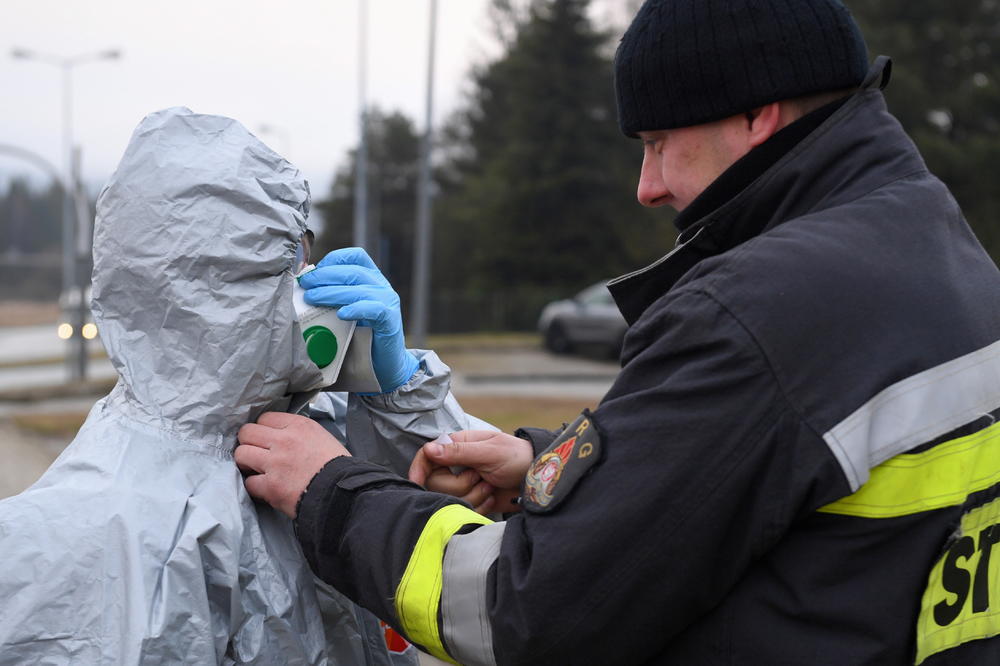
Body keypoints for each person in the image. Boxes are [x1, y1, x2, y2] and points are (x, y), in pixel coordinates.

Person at [235, 1, 1000, 664]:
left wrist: (330, 494)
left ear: (756, 114)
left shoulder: (756, 311)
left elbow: (527, 613)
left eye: (659, 141)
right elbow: (768, 466)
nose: (648, 186)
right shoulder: (934, 239)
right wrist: (545, 464)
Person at [0, 107, 490, 665]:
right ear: (213, 289)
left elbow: (486, 531)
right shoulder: (66, 535)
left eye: (303, 255)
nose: (307, 284)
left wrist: (401, 395)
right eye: (289, 260)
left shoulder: (326, 430)